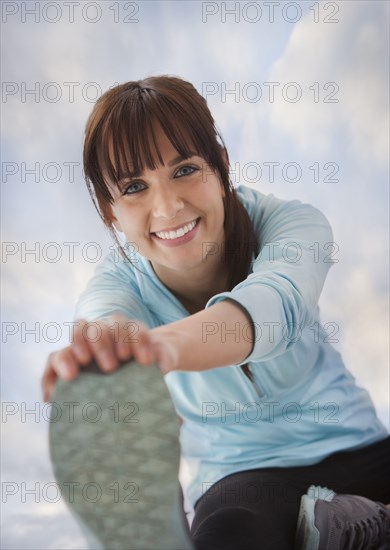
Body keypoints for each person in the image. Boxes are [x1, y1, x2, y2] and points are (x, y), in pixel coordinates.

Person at [42, 76, 390, 549]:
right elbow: (107, 319)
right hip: (240, 474)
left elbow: (274, 306)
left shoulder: (293, 224)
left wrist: (157, 348)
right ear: (110, 212)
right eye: (135, 186)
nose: (167, 207)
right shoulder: (116, 284)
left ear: (221, 167)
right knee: (231, 536)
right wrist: (106, 356)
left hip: (360, 447)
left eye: (184, 170)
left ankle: (359, 523)